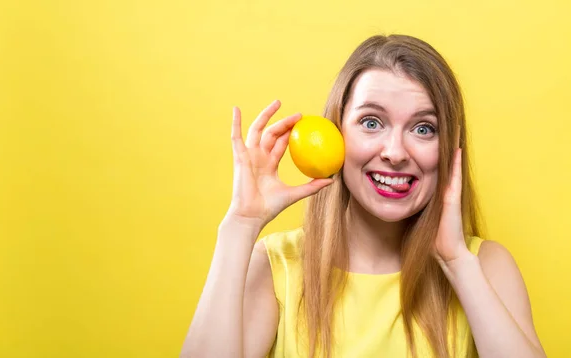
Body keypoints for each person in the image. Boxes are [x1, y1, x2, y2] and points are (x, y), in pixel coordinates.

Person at [180, 34, 546, 358]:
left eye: (423, 128)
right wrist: (240, 226)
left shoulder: (484, 267)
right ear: (337, 134)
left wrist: (456, 263)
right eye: (372, 122)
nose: (395, 152)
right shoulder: (278, 268)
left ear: (449, 148)